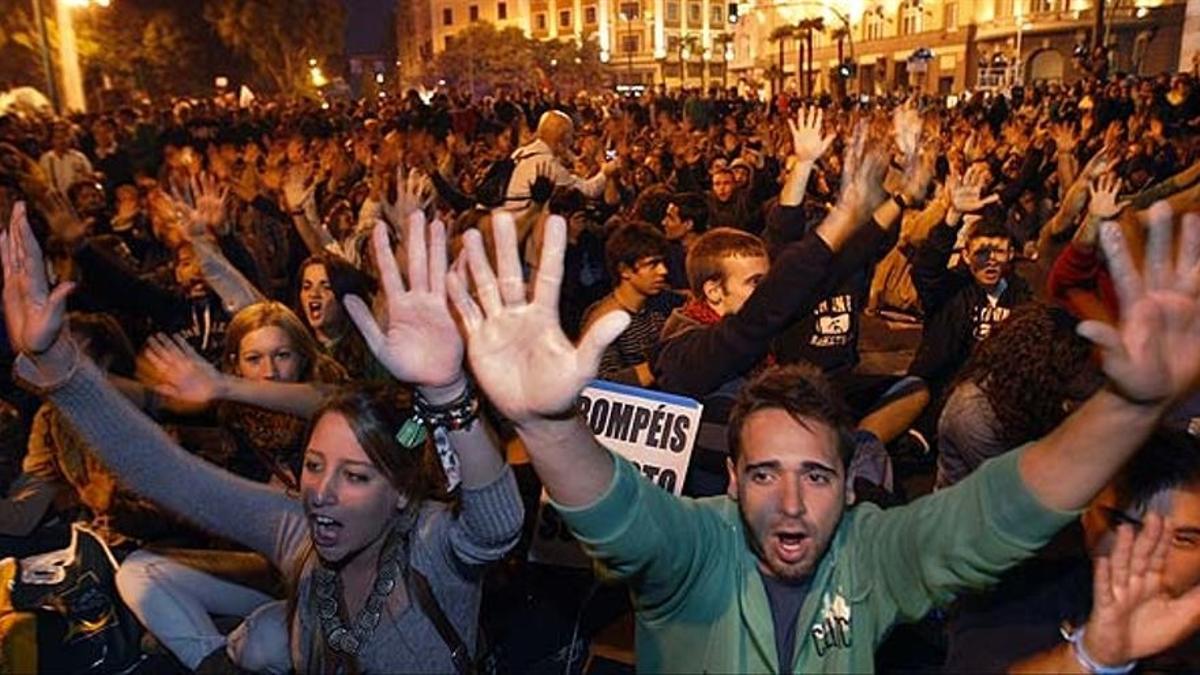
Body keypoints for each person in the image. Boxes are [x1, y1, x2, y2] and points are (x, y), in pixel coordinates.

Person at [447, 195, 1200, 672]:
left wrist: (1129, 405)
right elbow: (616, 511)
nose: (790, 502)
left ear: (848, 484)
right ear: (733, 481)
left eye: (815, 475)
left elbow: (996, 512)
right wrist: (546, 421)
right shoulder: (692, 549)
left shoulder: (871, 553)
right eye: (765, 473)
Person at [2, 204, 523, 672]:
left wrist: (447, 389)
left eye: (355, 476)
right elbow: (163, 469)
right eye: (315, 465)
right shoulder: (298, 532)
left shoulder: (432, 545)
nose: (321, 491)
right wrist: (58, 365)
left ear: (402, 493)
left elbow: (497, 523)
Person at [581, 221, 681, 387]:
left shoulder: (662, 305)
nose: (663, 271)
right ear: (625, 270)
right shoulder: (603, 319)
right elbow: (605, 383)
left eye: (662, 263)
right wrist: (661, 365)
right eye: (652, 264)